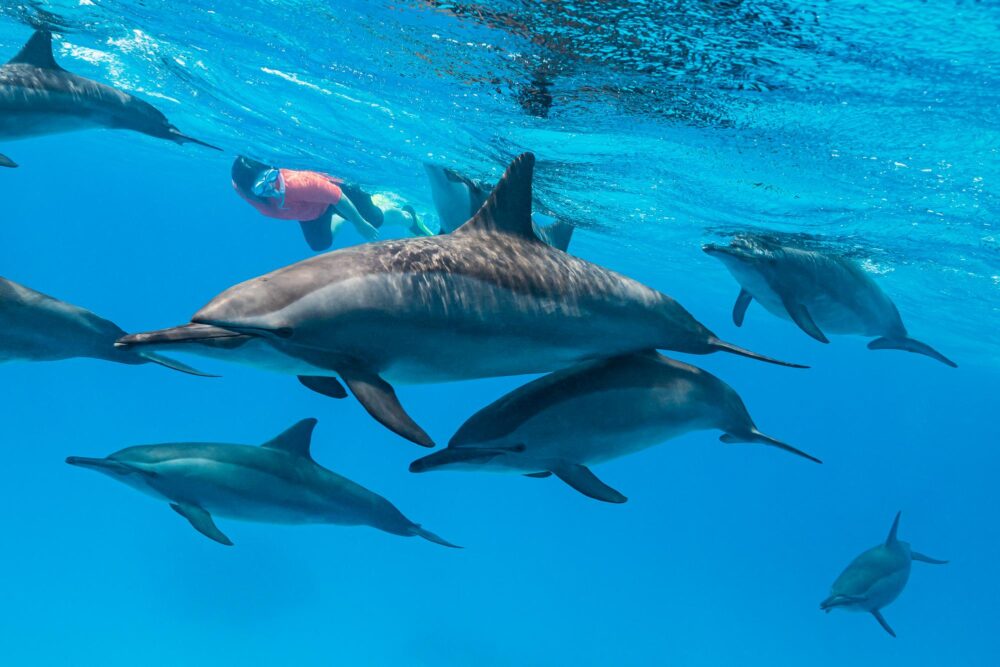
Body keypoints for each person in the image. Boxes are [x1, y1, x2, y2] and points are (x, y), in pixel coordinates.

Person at [231, 156, 431, 251]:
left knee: (375, 220)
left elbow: (339, 198)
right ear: (251, 192)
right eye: (262, 188)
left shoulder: (298, 185)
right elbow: (238, 181)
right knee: (319, 244)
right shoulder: (244, 191)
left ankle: (409, 217)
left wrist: (360, 224)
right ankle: (340, 218)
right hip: (311, 211)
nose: (272, 188)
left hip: (338, 195)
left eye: (271, 177)